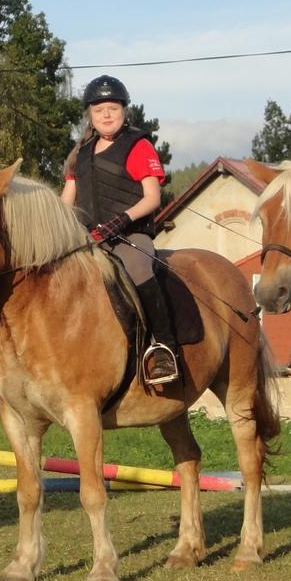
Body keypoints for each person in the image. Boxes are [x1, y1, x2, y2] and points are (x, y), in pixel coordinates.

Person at [61, 75, 179, 386]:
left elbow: (152, 197)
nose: (106, 115)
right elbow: (66, 202)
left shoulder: (138, 146)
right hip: (90, 240)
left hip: (130, 235)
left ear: (124, 111)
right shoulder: (80, 155)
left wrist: (121, 220)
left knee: (138, 267)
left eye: (113, 108)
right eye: (100, 111)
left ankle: (164, 347)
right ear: (90, 114)